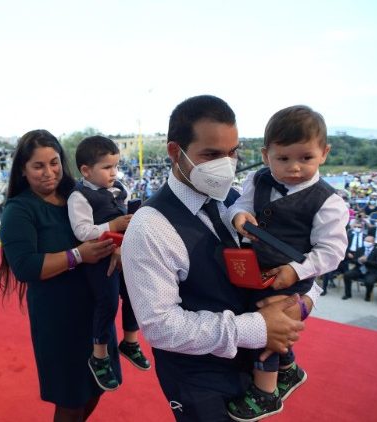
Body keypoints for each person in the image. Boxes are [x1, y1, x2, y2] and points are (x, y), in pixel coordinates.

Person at [121, 95, 312, 422]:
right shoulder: (149, 226)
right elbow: (160, 326)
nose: (226, 164)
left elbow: (302, 258)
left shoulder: (241, 202)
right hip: (199, 379)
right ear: (175, 152)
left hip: (255, 370)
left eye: (232, 152)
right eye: (211, 155)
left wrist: (300, 305)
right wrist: (256, 328)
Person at [228, 105, 348, 421]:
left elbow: (332, 251)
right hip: (256, 270)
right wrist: (238, 216)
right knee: (259, 321)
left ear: (324, 153)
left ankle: (266, 393)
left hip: (291, 276)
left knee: (265, 327)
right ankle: (288, 369)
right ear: (266, 155)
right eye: (283, 158)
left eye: (305, 157)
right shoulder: (258, 179)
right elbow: (239, 204)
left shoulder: (328, 201)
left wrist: (296, 271)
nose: (294, 168)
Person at [0, 129, 118, 422]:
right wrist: (79, 255)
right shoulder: (18, 210)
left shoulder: (80, 195)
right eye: (38, 166)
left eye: (54, 163)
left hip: (96, 311)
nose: (49, 172)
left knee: (97, 388)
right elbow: (25, 267)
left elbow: (109, 228)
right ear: (23, 170)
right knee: (71, 399)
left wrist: (117, 246)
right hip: (58, 319)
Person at [67, 135, 149, 392]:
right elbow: (82, 231)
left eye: (116, 166)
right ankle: (99, 355)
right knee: (108, 302)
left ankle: (130, 341)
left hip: (124, 252)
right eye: (107, 167)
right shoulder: (79, 197)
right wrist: (112, 225)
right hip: (99, 259)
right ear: (86, 171)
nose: (114, 172)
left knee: (135, 294)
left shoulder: (119, 188)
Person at [342, 235, 377, 301]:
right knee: (347, 275)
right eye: (365, 241)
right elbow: (353, 260)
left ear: (373, 243)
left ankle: (368, 295)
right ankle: (348, 294)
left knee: (369, 281)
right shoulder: (360, 249)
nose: (366, 242)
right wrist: (359, 260)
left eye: (368, 241)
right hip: (359, 269)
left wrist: (366, 261)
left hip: (372, 271)